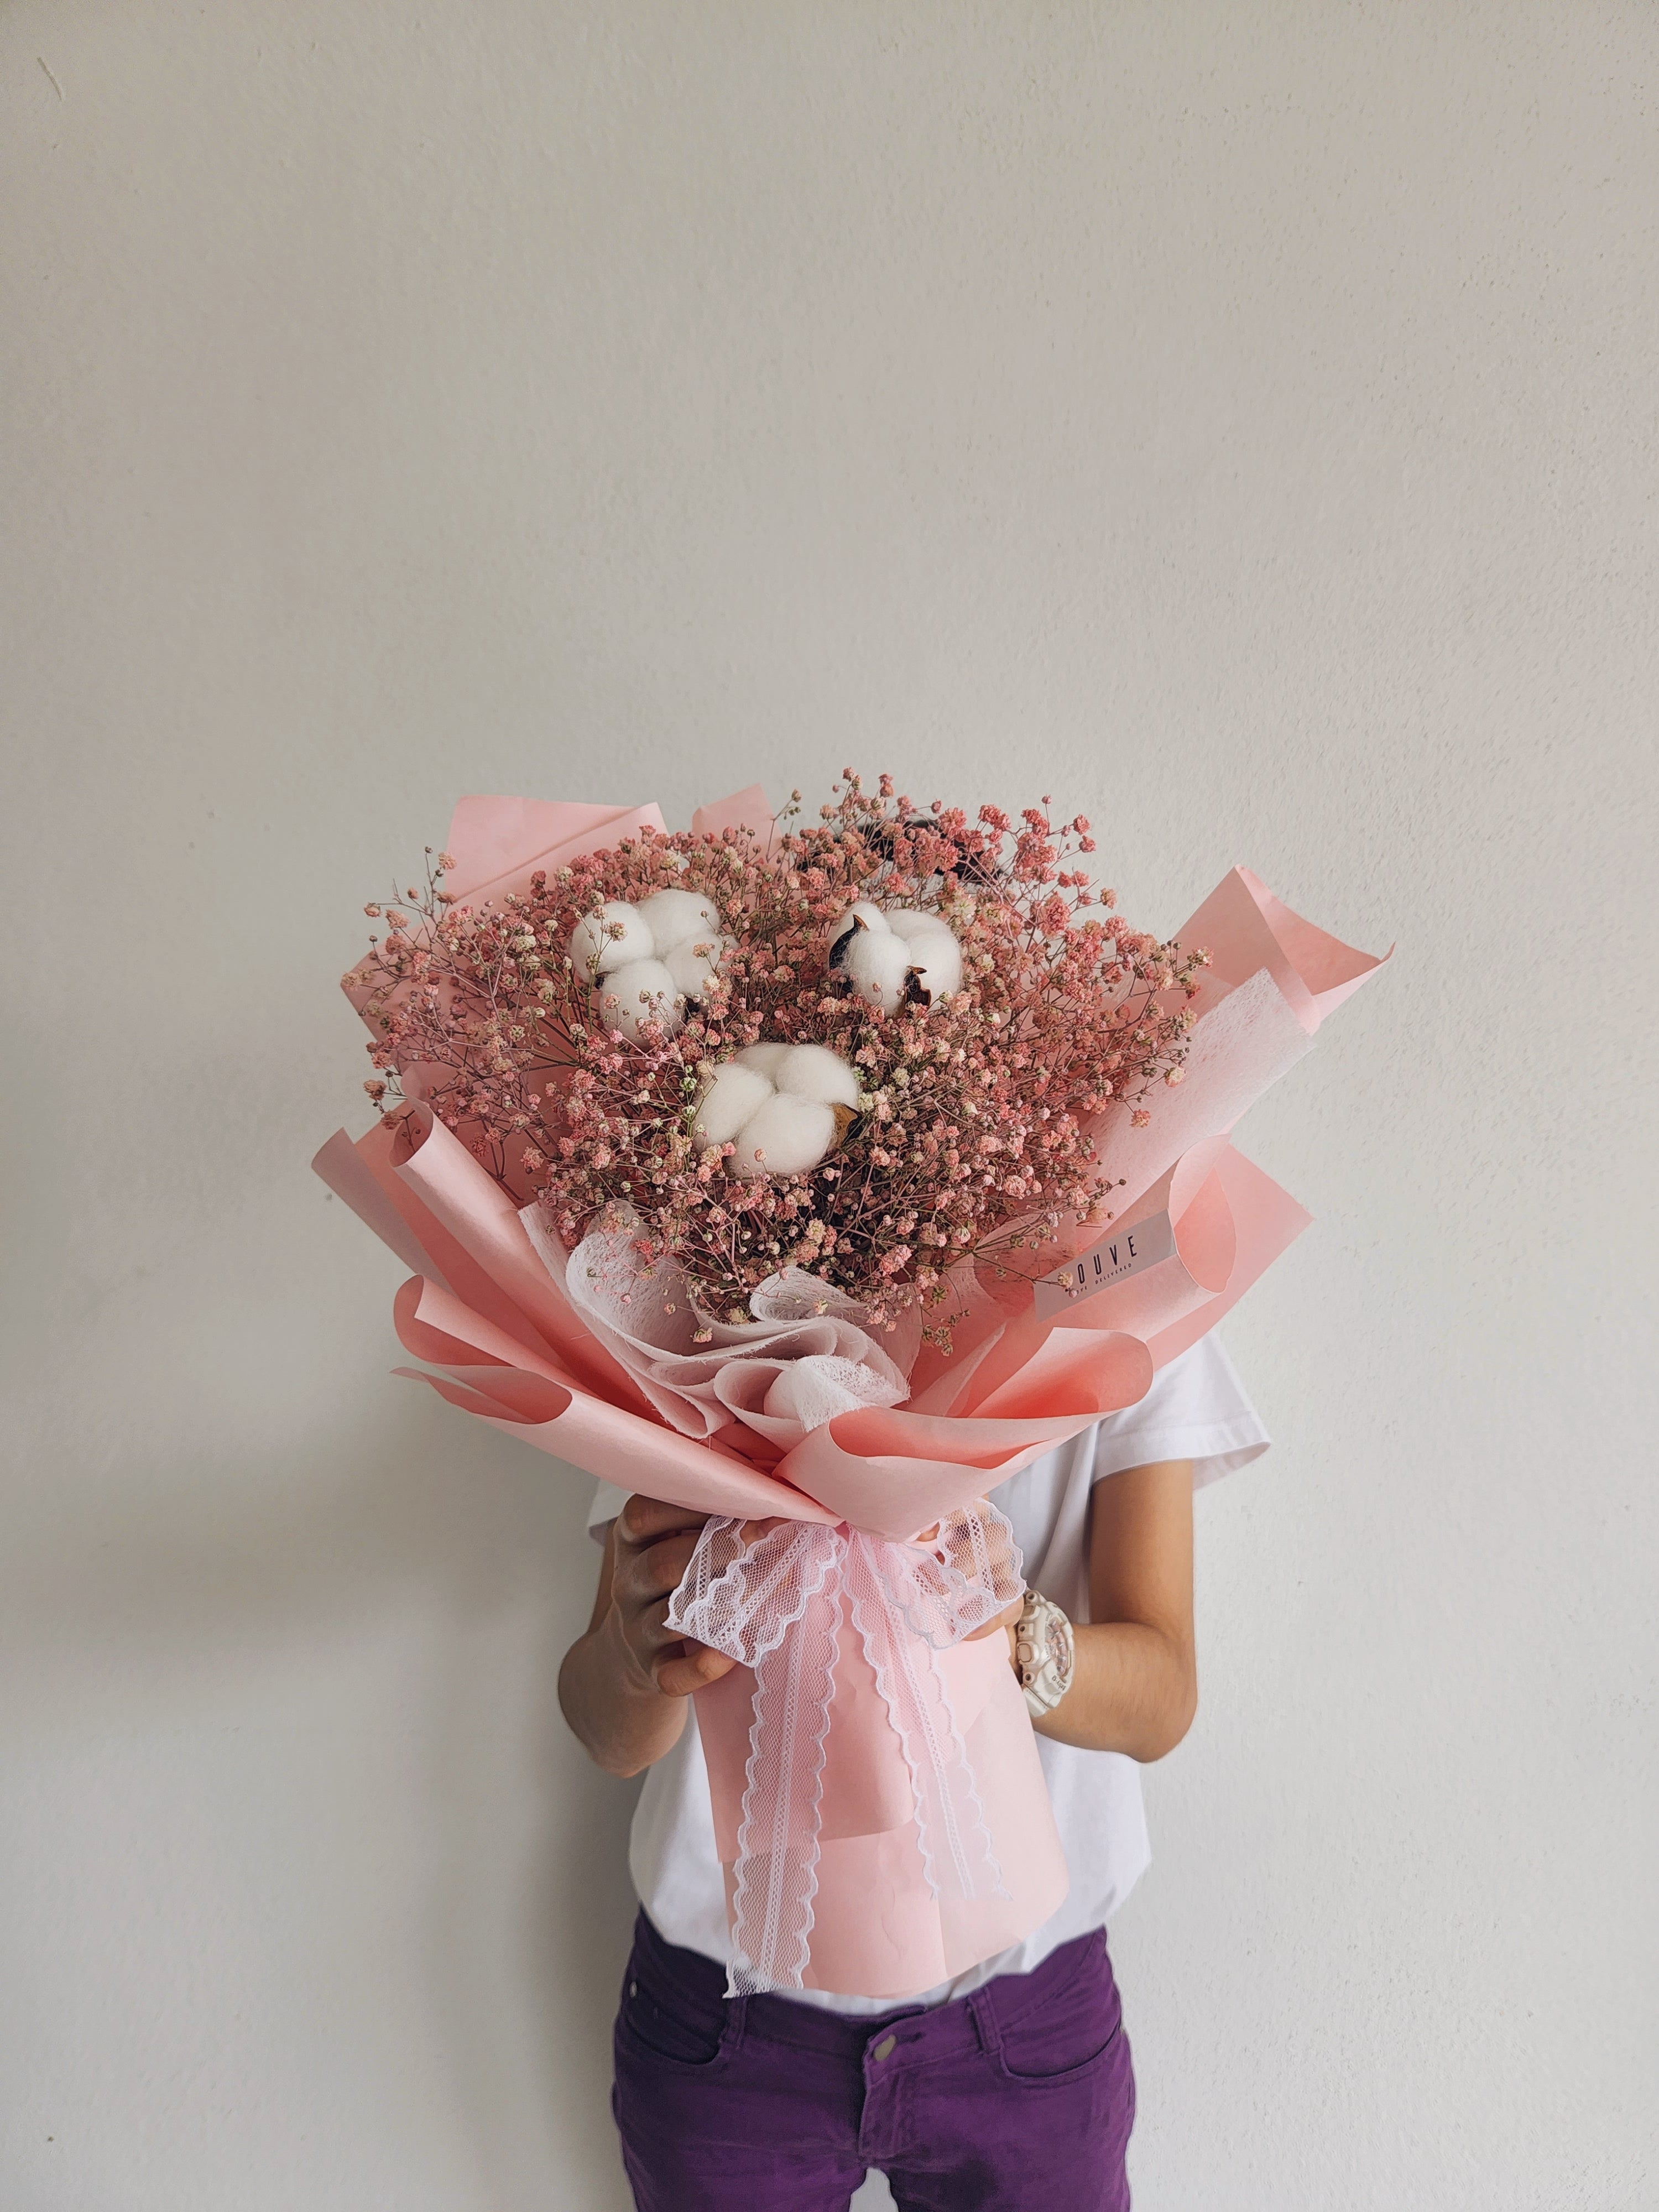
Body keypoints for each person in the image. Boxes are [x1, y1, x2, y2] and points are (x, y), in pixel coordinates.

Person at [559, 1332, 1267, 2212]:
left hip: (1024, 2011)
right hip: (727, 2010)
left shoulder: (1125, 1311)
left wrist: (1004, 1628)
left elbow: (1161, 1699)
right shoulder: (683, 1310)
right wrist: (642, 1657)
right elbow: (611, 1736)